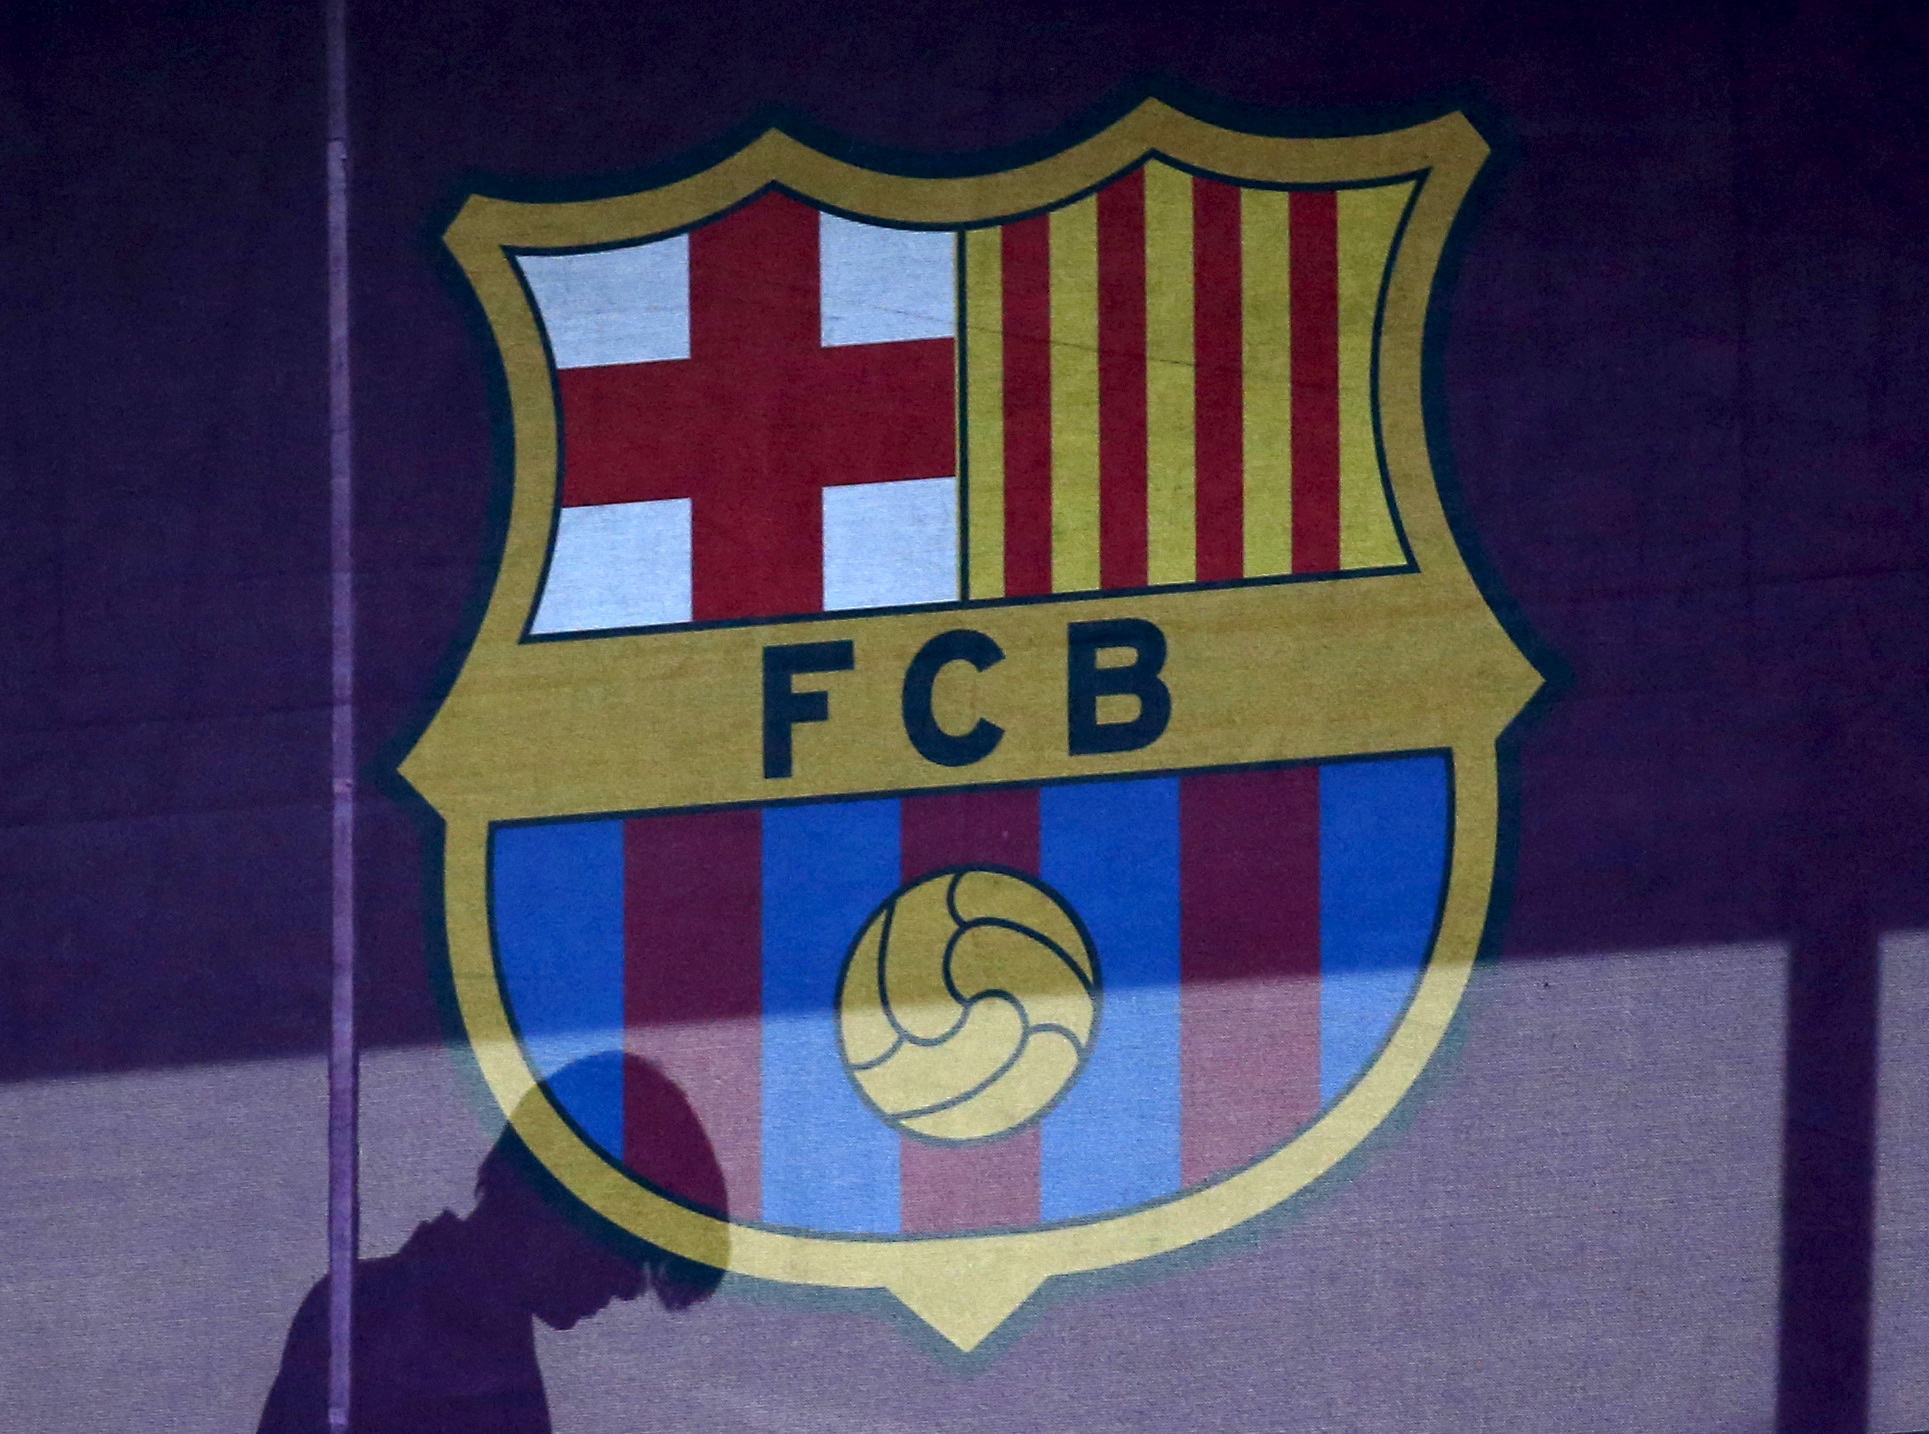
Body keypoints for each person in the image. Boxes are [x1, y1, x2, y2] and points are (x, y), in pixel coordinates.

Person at [259, 1054, 726, 1433]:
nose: (629, 1286)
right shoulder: (372, 1320)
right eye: (631, 1247)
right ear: (565, 1198)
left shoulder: (466, 1343)